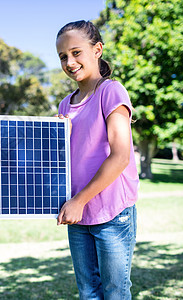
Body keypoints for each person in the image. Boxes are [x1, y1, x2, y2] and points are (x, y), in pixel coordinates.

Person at [55, 20, 139, 299]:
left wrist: (79, 200)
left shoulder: (111, 91)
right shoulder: (65, 104)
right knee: (88, 292)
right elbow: (62, 159)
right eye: (63, 56)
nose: (70, 61)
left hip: (111, 213)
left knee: (115, 292)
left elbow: (120, 156)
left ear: (97, 49)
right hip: (79, 217)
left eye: (76, 52)